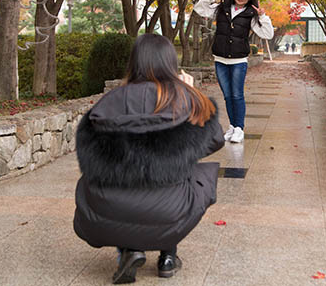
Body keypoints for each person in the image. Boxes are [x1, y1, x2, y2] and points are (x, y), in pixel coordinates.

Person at [73, 34, 224, 284]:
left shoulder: (109, 101)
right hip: (169, 211)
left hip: (105, 210)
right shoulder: (183, 98)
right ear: (170, 62)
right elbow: (215, 140)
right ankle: (167, 256)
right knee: (200, 174)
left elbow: (86, 152)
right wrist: (192, 91)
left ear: (135, 61)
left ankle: (129, 251)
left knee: (105, 179)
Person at [193, 0, 274, 143]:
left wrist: (262, 16)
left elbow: (268, 34)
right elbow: (199, 9)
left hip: (238, 61)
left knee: (237, 95)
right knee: (228, 96)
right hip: (220, 59)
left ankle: (239, 129)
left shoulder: (251, 13)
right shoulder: (222, 7)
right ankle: (232, 126)